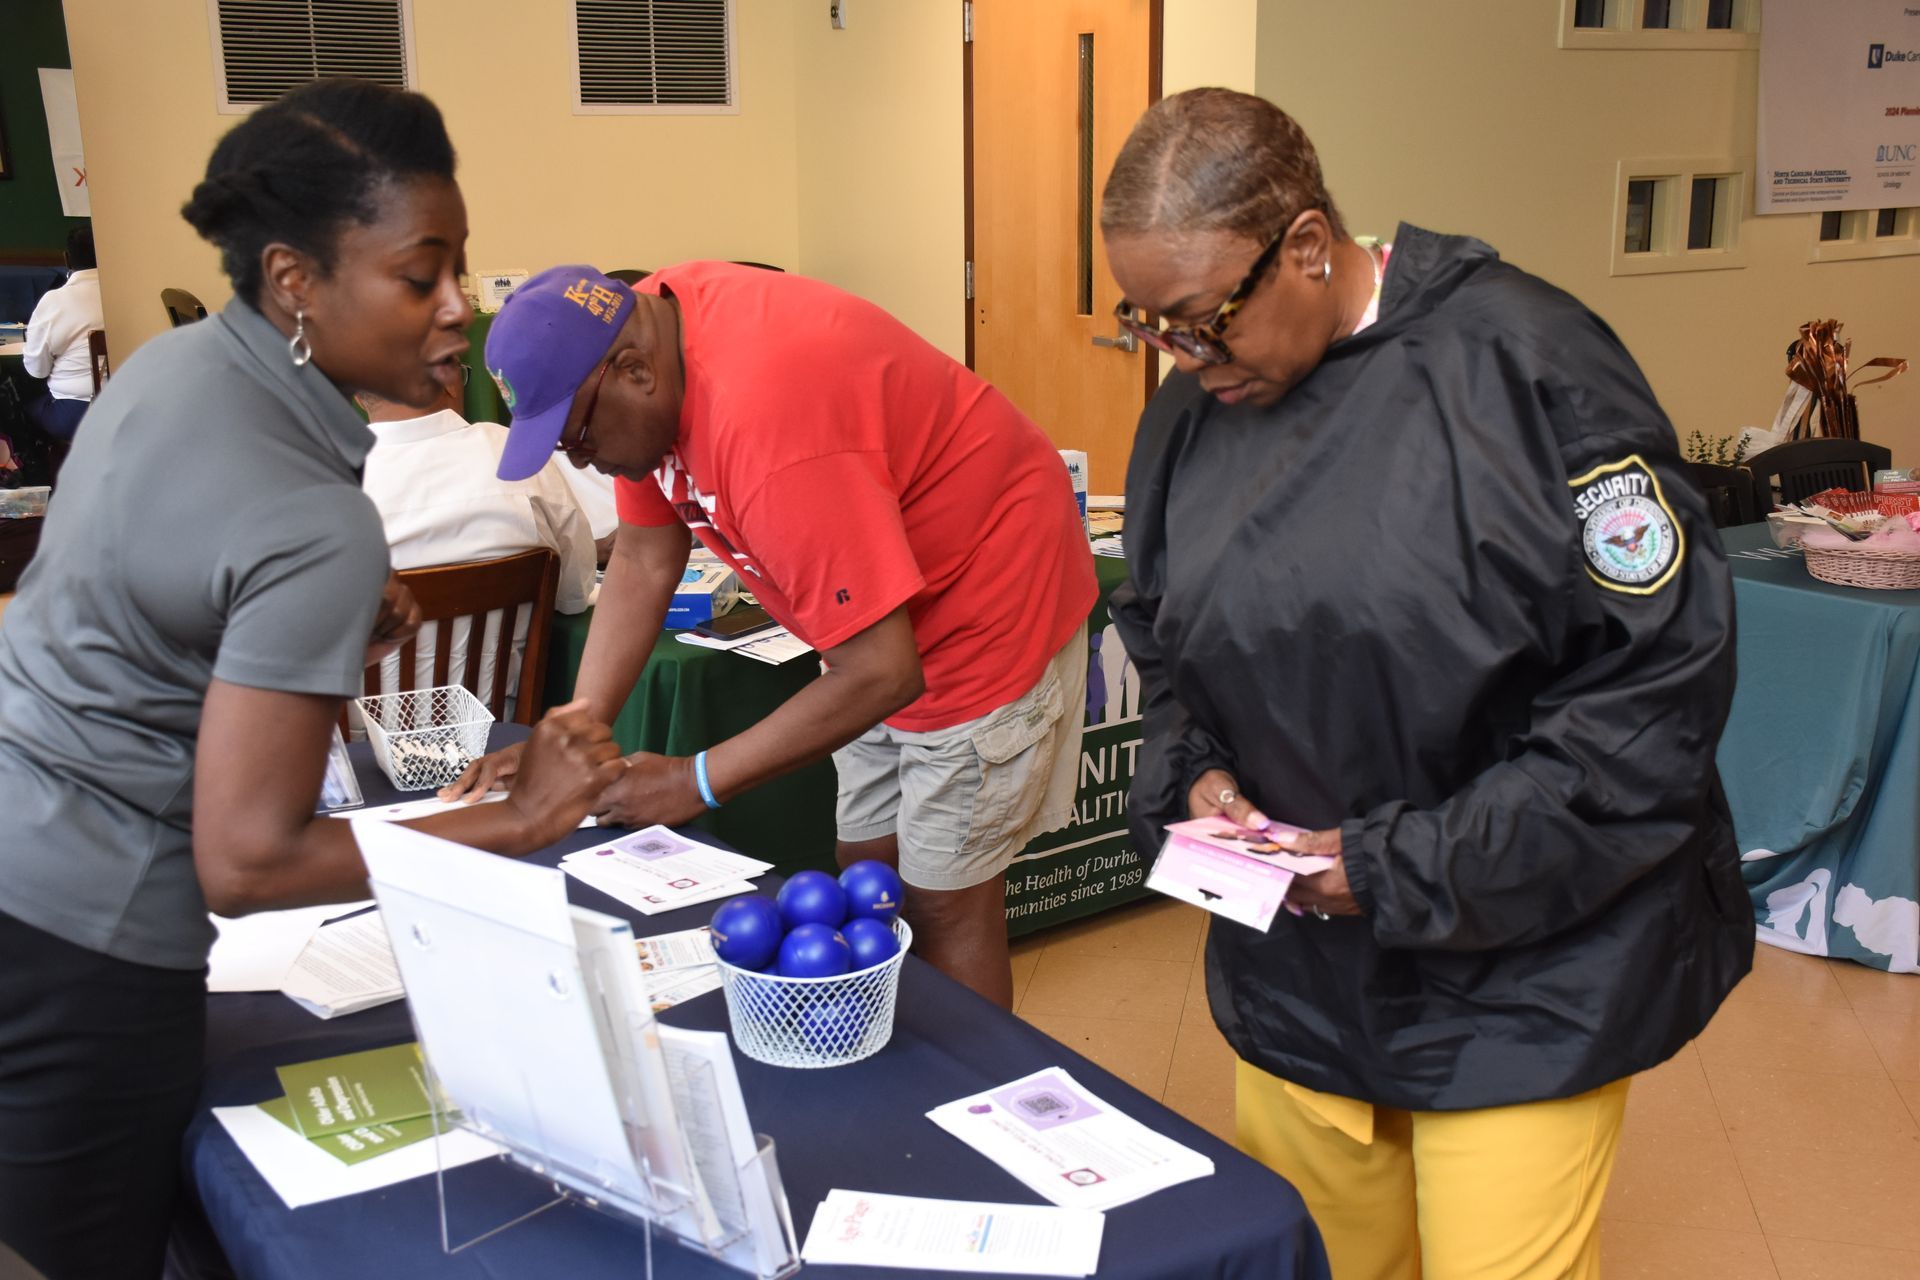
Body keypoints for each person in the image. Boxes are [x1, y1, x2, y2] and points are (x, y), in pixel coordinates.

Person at [1100, 89, 1752, 1280]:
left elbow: (1651, 699)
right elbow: (1167, 645)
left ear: (1306, 245)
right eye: (1146, 325)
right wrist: (1194, 773)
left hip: (1526, 966)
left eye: (1200, 321)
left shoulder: (1531, 370)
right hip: (1300, 961)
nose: (1181, 359)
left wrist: (1394, 867)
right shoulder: (1191, 423)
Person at [0, 80, 624, 1280]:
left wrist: (302, 629)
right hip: (90, 945)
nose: (461, 310)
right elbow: (246, 860)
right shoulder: (314, 518)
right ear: (295, 280)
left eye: (463, 269)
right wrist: (521, 816)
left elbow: (105, 607)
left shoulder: (169, 371)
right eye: (419, 276)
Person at [445, 264, 1097, 1007]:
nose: (583, 460)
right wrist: (568, 733)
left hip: (987, 596)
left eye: (581, 438)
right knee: (866, 871)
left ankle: (965, 1093)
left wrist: (690, 781)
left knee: (944, 901)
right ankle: (888, 1049)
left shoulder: (768, 425)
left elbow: (883, 673)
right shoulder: (640, 335)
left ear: (635, 372)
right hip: (876, 608)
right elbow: (643, 554)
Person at [359, 360, 598, 715]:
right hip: (494, 736)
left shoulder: (316, 482)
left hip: (356, 752)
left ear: (359, 397)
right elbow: (574, 594)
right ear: (451, 380)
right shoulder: (513, 455)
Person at [21, 223, 103, 441]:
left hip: (73, 414)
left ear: (67, 258)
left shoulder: (54, 302)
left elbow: (36, 370)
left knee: (23, 407)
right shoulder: (131, 295)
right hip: (128, 409)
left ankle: (35, 469)